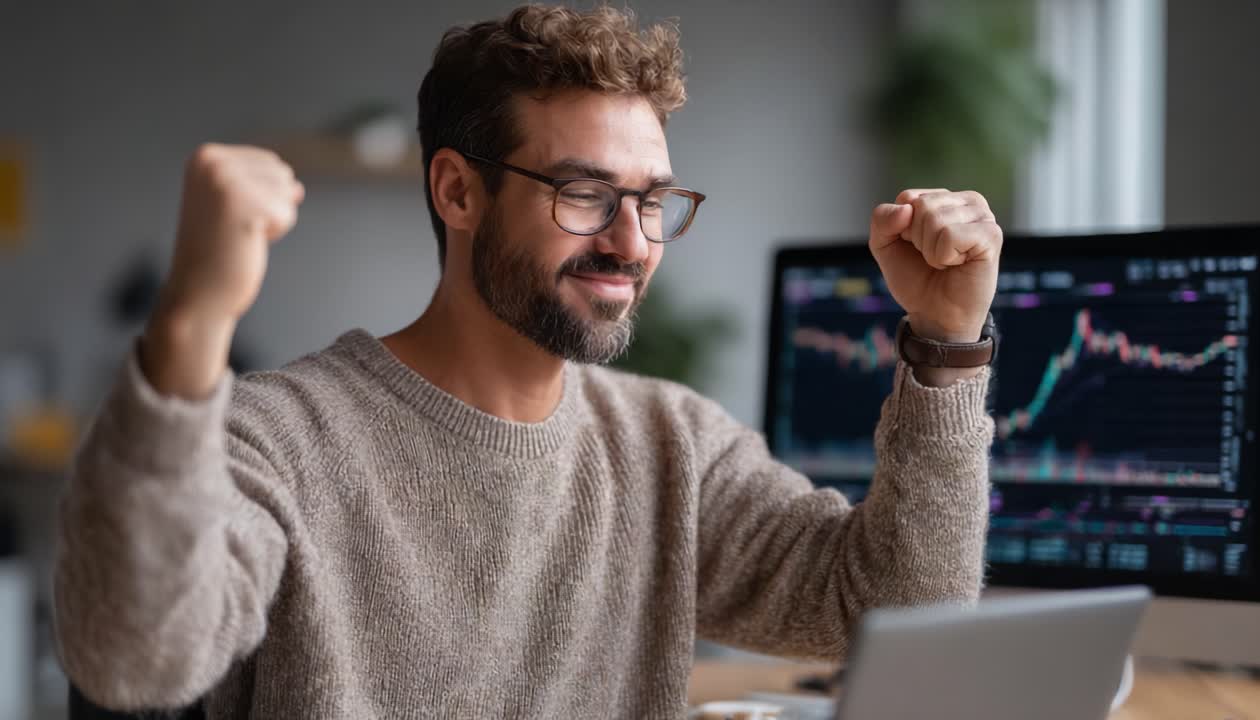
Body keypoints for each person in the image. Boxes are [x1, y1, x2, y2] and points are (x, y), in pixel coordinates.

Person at [54, 5, 1002, 719]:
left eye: (652, 201)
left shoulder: (672, 443)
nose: (631, 243)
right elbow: (134, 661)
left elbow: (897, 612)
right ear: (458, 191)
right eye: (586, 194)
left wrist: (949, 347)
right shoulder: (276, 438)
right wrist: (187, 326)